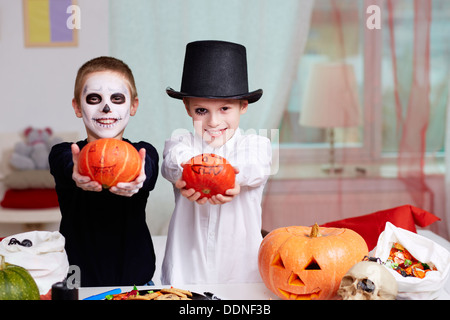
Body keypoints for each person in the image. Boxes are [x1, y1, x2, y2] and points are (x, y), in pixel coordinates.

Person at [161, 40, 272, 284]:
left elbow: (255, 167)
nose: (213, 122)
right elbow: (172, 163)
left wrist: (225, 177)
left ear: (243, 106)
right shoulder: (180, 143)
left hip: (241, 274)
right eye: (202, 110)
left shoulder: (256, 145)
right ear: (187, 107)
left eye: (224, 108)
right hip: (185, 272)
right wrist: (188, 173)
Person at [49, 56, 159, 287]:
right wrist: (77, 171)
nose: (106, 107)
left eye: (117, 98)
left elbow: (146, 170)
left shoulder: (143, 152)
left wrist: (138, 177)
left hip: (136, 283)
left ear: (133, 106)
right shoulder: (64, 152)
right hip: (76, 283)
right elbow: (65, 164)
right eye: (94, 98)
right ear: (78, 107)